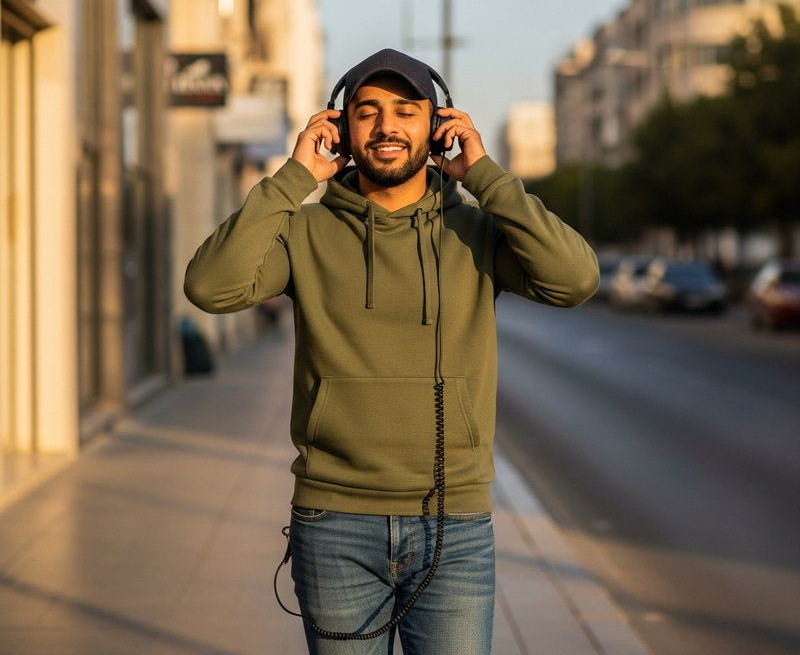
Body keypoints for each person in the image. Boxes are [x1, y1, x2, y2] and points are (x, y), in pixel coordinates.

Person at [184, 48, 599, 655]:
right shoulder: (305, 231)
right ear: (340, 130)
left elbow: (575, 280)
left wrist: (484, 176)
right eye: (367, 112)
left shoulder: (477, 232)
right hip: (334, 523)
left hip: (453, 524)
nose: (386, 127)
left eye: (407, 111)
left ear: (439, 126)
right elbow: (209, 287)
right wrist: (293, 178)